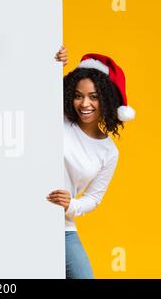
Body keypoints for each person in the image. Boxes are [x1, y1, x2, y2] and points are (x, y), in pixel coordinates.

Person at [47, 53, 135, 279]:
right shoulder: (59, 118)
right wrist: (54, 64)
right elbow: (36, 93)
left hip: (61, 226)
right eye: (78, 96)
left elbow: (94, 198)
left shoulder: (109, 152)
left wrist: (71, 205)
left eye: (93, 97)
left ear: (106, 99)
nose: (85, 104)